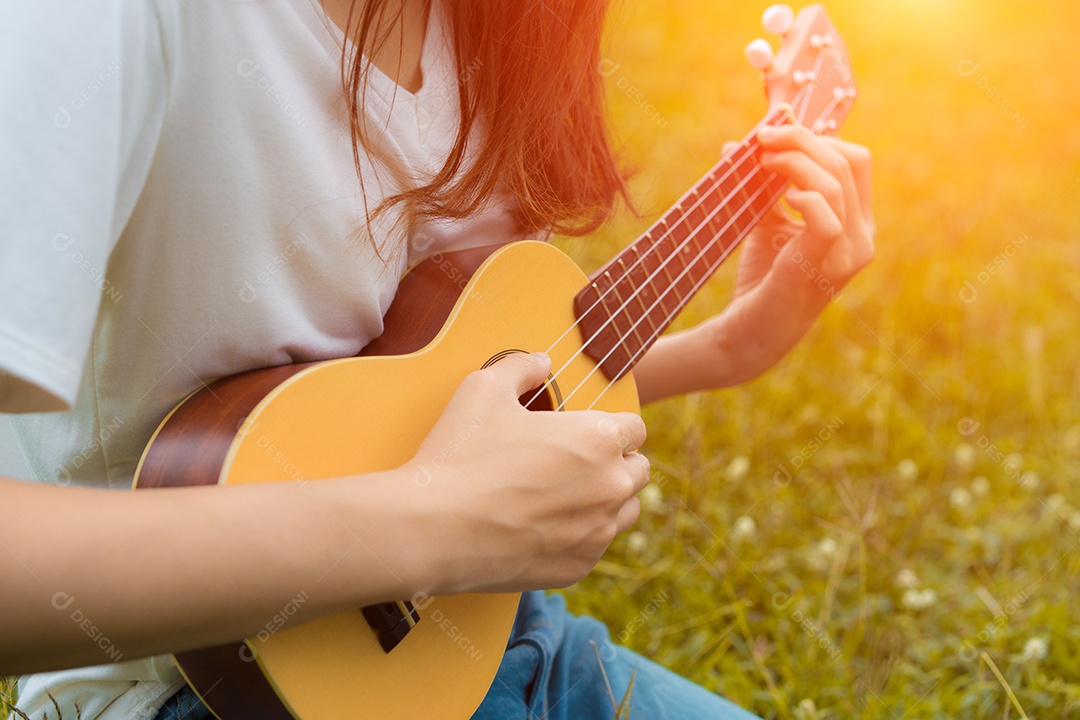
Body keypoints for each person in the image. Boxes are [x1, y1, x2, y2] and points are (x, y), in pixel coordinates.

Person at [0, 0, 874, 718]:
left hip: (472, 652)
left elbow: (440, 391)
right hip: (189, 698)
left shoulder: (500, 24)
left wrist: (729, 348)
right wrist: (439, 523)